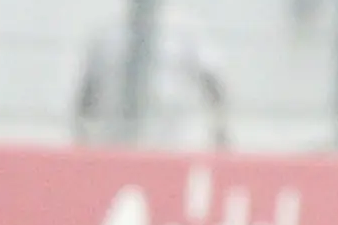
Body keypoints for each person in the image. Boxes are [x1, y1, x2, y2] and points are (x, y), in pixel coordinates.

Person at [72, 10, 232, 150]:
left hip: (176, 142)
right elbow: (86, 97)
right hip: (117, 143)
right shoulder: (109, 34)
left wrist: (221, 129)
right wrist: (83, 138)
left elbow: (213, 83)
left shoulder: (183, 32)